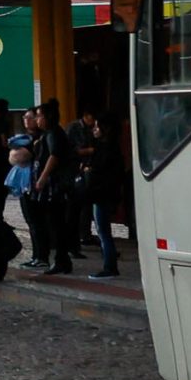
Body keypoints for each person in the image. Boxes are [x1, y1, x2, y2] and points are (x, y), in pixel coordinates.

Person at [28, 101, 76, 275]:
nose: (37, 120)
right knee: (55, 224)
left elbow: (54, 156)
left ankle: (62, 260)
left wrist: (42, 178)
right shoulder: (47, 134)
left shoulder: (54, 134)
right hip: (51, 186)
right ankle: (62, 259)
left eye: (39, 116)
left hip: (54, 187)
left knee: (56, 224)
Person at [79, 114, 124, 279]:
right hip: (102, 194)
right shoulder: (104, 147)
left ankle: (110, 267)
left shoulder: (107, 149)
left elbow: (102, 172)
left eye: (97, 127)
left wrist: (88, 171)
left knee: (103, 232)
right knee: (103, 230)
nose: (94, 129)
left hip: (102, 195)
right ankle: (109, 265)